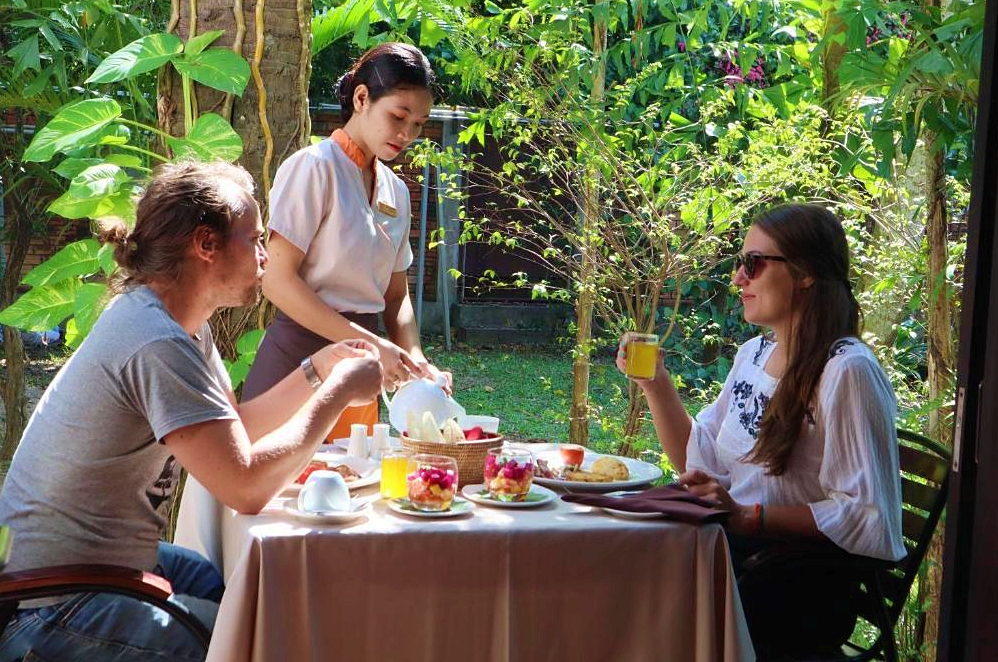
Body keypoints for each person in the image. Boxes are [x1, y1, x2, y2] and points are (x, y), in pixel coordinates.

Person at [0, 161, 383, 661]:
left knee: (235, 590)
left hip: (98, 569)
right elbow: (245, 487)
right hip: (47, 604)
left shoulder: (181, 325)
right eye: (255, 239)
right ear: (206, 244)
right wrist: (338, 393)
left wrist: (318, 369)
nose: (265, 255)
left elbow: (235, 429)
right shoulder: (155, 340)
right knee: (252, 640)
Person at [617, 203, 905, 658]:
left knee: (624, 590)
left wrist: (747, 516)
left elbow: (866, 514)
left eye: (753, 263)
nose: (738, 278)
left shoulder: (846, 371)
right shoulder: (754, 354)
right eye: (740, 263)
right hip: (737, 560)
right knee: (610, 553)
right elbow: (698, 459)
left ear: (806, 273)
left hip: (791, 587)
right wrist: (655, 384)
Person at [243, 42, 450, 439]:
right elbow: (276, 281)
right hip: (297, 366)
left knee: (354, 475)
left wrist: (416, 361)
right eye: (398, 116)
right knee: (280, 478)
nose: (407, 134)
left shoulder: (396, 191)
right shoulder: (313, 168)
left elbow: (396, 297)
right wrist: (371, 344)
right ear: (361, 98)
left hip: (360, 373)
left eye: (419, 124)